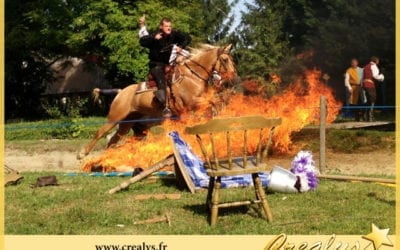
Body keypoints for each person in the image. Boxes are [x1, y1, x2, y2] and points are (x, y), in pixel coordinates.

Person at [138, 15, 191, 113]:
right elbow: (142, 41)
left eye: (170, 26)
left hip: (168, 65)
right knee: (162, 81)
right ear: (161, 27)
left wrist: (181, 47)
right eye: (166, 26)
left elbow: (187, 38)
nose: (169, 28)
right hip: (156, 66)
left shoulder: (174, 34)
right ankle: (165, 107)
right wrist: (153, 38)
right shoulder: (156, 35)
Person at [362, 56, 384, 122]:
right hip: (370, 85)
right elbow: (375, 76)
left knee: (369, 100)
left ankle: (365, 116)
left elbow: (362, 77)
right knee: (372, 100)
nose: (378, 62)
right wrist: (382, 77)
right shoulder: (373, 66)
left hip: (365, 84)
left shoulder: (365, 67)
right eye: (378, 61)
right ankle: (370, 117)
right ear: (376, 61)